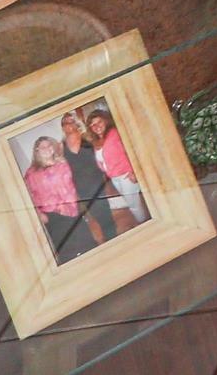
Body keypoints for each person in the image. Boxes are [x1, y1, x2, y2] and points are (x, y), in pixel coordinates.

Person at [22, 135, 93, 261]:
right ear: (36, 151)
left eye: (49, 145)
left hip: (73, 209)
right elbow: (26, 196)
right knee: (67, 250)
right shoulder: (31, 173)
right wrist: (38, 214)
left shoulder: (63, 163)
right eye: (42, 147)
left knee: (86, 242)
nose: (46, 148)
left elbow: (72, 184)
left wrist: (82, 205)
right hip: (53, 214)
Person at [59, 111, 118, 249]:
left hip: (97, 184)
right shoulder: (61, 147)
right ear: (63, 127)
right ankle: (106, 240)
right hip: (80, 189)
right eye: (65, 122)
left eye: (71, 121)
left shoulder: (87, 139)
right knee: (94, 216)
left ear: (76, 123)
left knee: (105, 214)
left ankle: (113, 240)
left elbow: (99, 158)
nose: (69, 124)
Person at [86, 107, 147, 232]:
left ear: (106, 121)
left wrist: (133, 169)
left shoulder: (115, 133)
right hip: (115, 177)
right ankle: (142, 222)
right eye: (92, 125)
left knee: (133, 204)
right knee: (132, 202)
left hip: (126, 175)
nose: (96, 126)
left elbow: (130, 149)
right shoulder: (97, 142)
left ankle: (144, 226)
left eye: (99, 122)